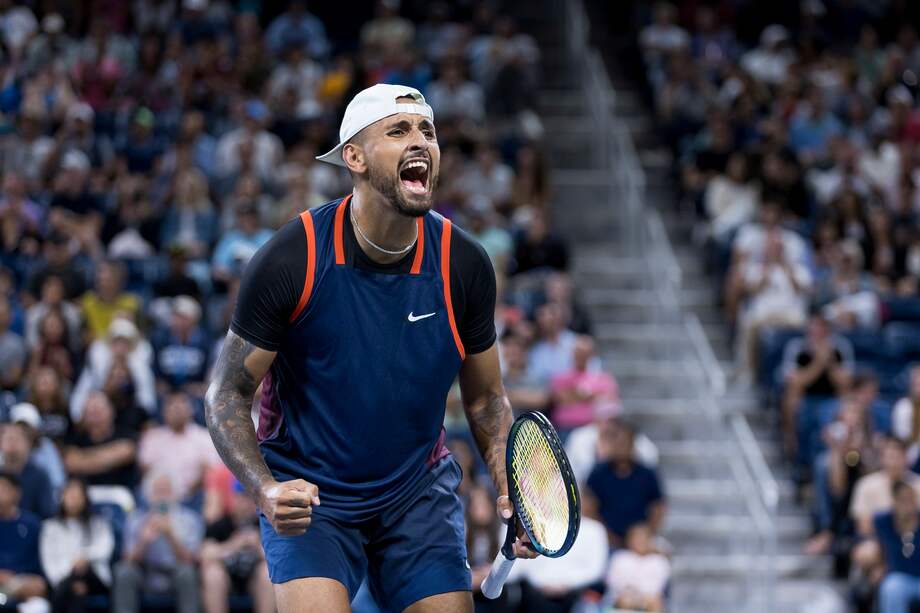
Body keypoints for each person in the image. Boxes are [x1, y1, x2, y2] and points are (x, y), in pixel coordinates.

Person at [205, 83, 536, 613]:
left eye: (427, 131)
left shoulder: (463, 265)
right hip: (312, 495)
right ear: (354, 157)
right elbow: (226, 395)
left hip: (415, 493)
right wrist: (265, 489)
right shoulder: (292, 259)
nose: (420, 142)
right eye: (399, 130)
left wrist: (508, 486)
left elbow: (486, 399)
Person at [112, 472, 203, 613]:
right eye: (158, 490)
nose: (162, 496)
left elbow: (190, 561)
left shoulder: (189, 519)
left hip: (175, 574)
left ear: (175, 493)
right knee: (123, 572)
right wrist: (143, 541)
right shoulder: (136, 518)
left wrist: (170, 535)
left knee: (188, 573)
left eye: (166, 490)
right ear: (149, 493)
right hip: (144, 573)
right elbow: (127, 560)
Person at [585, 419, 666, 547]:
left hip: (640, 539)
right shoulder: (598, 474)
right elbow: (588, 507)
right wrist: (606, 534)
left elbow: (658, 507)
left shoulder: (647, 474)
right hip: (606, 540)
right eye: (618, 442)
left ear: (633, 443)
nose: (622, 446)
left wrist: (646, 533)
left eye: (626, 442)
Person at [39, 477, 114, 613]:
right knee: (77, 589)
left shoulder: (98, 523)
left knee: (78, 576)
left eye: (78, 495)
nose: (73, 499)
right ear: (62, 497)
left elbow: (105, 549)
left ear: (85, 498)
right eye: (70, 494)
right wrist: (69, 574)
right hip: (63, 579)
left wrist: (84, 558)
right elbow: (48, 561)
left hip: (94, 576)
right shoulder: (50, 527)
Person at [200, 477, 274, 613]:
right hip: (227, 580)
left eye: (249, 498)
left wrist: (257, 546)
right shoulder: (220, 525)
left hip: (254, 580)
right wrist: (233, 544)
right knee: (212, 574)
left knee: (267, 572)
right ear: (233, 498)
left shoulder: (263, 525)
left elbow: (276, 559)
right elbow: (205, 556)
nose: (245, 503)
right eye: (241, 497)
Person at [138, 392, 218, 503]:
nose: (177, 409)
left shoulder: (205, 437)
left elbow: (211, 469)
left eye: (182, 403)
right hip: (157, 495)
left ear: (191, 410)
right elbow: (145, 467)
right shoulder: (153, 436)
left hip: (193, 496)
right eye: (171, 405)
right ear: (164, 412)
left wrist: (190, 490)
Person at [0, 471, 48, 609]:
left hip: (23, 586)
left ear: (17, 493)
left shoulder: (33, 525)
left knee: (38, 607)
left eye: (3, 488)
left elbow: (41, 575)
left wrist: (20, 582)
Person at [875, 480, 920, 613]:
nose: (908, 505)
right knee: (891, 587)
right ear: (894, 501)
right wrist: (878, 565)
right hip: (899, 578)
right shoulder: (883, 521)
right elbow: (877, 545)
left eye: (910, 499)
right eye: (902, 500)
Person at [606, 522, 670, 613]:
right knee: (626, 600)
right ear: (629, 540)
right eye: (636, 538)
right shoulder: (620, 557)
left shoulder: (659, 561)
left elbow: (658, 586)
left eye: (643, 539)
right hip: (623, 596)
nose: (639, 542)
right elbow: (613, 581)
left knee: (655, 601)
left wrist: (640, 597)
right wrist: (630, 593)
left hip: (649, 598)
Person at [0, 422, 55, 519]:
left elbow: (47, 513)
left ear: (28, 444)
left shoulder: (40, 476)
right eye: (8, 438)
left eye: (17, 439)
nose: (13, 443)